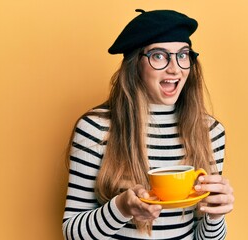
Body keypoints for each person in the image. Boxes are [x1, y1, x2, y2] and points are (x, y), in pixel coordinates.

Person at [62, 9, 234, 239]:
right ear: (136, 65)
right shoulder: (96, 129)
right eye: (159, 56)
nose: (175, 68)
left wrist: (215, 216)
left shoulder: (210, 132)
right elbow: (72, 233)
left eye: (183, 55)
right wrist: (121, 208)